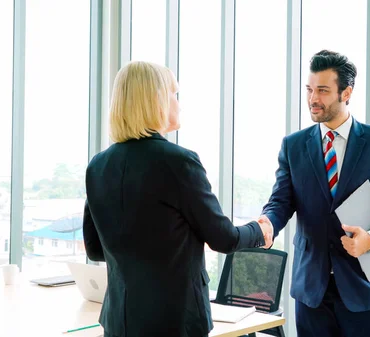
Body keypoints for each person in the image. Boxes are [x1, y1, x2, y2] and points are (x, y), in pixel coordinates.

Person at [82, 61, 273, 337]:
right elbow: (224, 238)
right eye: (174, 95)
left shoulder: (97, 166)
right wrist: (260, 230)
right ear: (155, 100)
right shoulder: (178, 162)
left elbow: (95, 249)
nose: (179, 104)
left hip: (118, 321)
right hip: (173, 322)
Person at [260, 50, 370, 336]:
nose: (312, 99)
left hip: (366, 290)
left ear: (346, 92)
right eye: (310, 89)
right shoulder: (293, 145)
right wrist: (268, 222)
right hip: (312, 291)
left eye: (322, 90)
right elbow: (281, 202)